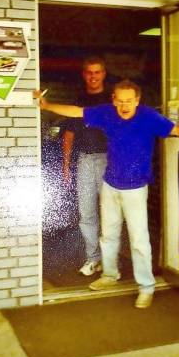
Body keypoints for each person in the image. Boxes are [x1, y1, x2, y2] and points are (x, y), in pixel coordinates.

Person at [35, 79, 179, 309]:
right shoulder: (106, 113)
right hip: (110, 184)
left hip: (136, 189)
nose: (124, 106)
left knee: (138, 240)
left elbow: (177, 130)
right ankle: (109, 275)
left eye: (129, 101)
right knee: (108, 235)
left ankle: (146, 287)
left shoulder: (149, 117)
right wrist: (46, 106)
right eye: (120, 101)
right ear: (113, 99)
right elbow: (77, 112)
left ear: (137, 100)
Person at [62, 56, 110, 276]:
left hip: (108, 160)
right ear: (84, 75)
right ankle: (93, 259)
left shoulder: (112, 100)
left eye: (97, 72)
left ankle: (110, 262)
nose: (93, 76)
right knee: (87, 215)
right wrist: (65, 166)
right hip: (83, 161)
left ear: (103, 74)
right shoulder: (79, 100)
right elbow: (69, 135)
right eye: (89, 72)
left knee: (110, 214)